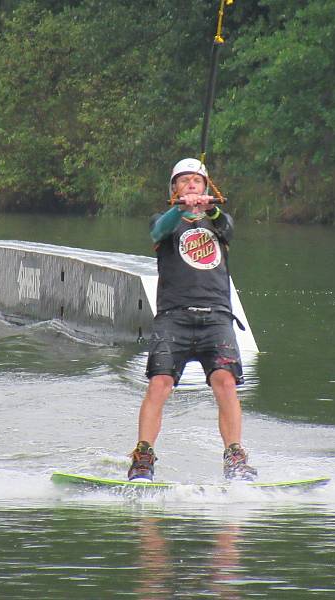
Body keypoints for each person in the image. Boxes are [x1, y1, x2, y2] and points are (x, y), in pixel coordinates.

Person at [128, 158, 257, 482]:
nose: (190, 186)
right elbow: (159, 230)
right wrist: (180, 209)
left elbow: (226, 227)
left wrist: (208, 209)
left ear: (207, 188)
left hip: (216, 318)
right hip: (174, 318)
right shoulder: (164, 221)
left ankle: (235, 458)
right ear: (174, 190)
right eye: (183, 182)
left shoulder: (219, 222)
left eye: (196, 182)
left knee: (225, 382)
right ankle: (143, 458)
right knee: (161, 383)